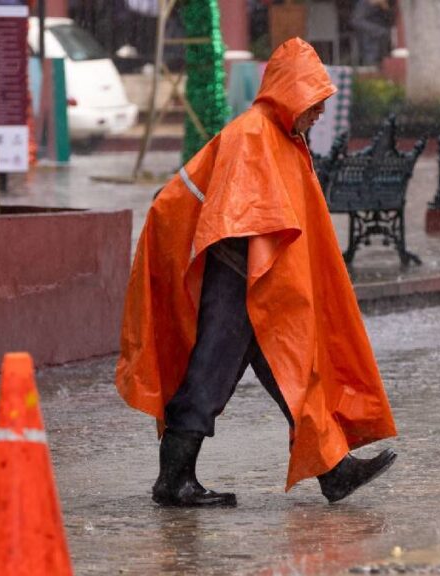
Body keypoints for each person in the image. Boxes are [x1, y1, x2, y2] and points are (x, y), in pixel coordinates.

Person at [116, 38, 398, 507]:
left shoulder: (279, 139)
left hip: (257, 282)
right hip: (241, 281)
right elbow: (236, 218)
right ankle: (175, 480)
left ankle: (332, 469)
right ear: (291, 93)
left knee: (291, 371)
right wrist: (267, 284)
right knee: (218, 373)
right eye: (314, 101)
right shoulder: (253, 135)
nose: (320, 112)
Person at [349, 0, 394, 67]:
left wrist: (385, 8)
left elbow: (390, 21)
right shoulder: (363, 4)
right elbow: (356, 21)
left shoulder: (381, 6)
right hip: (369, 41)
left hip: (383, 43)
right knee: (372, 64)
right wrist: (379, 31)